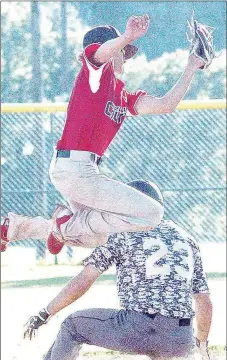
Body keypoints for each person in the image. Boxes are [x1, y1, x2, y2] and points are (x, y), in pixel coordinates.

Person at [1, 180, 212, 360]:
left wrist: (46, 312)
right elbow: (203, 300)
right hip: (179, 336)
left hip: (137, 326)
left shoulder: (123, 230)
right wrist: (200, 344)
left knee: (73, 325)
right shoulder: (186, 239)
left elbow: (84, 280)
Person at [1, 14, 207, 255]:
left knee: (95, 237)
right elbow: (100, 55)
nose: (126, 57)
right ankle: (64, 225)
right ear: (112, 49)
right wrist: (126, 37)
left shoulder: (122, 95)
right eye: (123, 51)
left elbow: (166, 105)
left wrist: (191, 67)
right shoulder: (95, 75)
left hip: (79, 170)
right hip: (75, 168)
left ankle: (17, 228)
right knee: (151, 213)